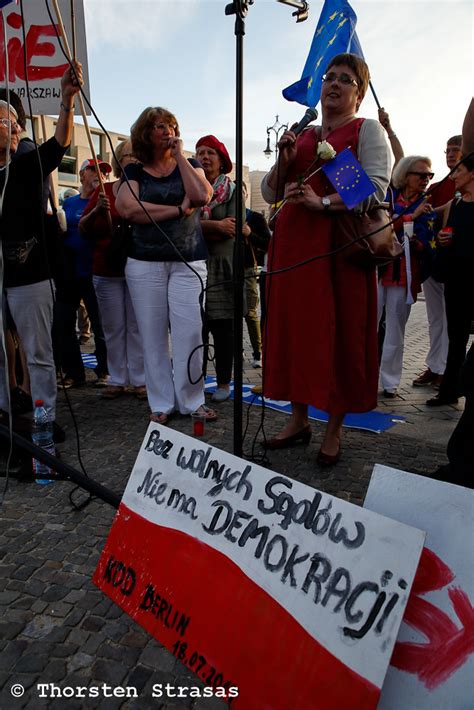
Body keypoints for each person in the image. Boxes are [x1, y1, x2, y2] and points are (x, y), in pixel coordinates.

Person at [260, 53, 391, 465]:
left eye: (346, 79)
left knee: (339, 335)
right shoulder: (302, 134)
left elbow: (376, 190)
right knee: (297, 334)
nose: (334, 84)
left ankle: (333, 429)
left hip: (339, 251)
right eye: (329, 77)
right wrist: (282, 163)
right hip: (295, 249)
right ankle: (298, 420)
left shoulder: (364, 130)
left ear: (360, 92)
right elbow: (269, 193)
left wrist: (326, 201)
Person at [116, 107, 216, 424]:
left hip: (188, 260)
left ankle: (191, 400)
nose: (167, 130)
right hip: (145, 262)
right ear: (145, 133)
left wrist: (181, 157)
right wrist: (176, 209)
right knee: (152, 333)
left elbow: (201, 195)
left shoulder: (191, 165)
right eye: (159, 125)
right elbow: (128, 209)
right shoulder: (134, 171)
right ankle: (161, 402)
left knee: (190, 331)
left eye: (171, 124)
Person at [0, 63, 83, 425]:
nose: (16, 127)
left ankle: (44, 421)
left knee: (37, 353)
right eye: (7, 121)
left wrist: (66, 100)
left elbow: (59, 143)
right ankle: (5, 416)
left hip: (31, 276)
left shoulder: (25, 165)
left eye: (17, 122)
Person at [79, 140, 145, 400]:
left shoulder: (146, 189)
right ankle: (117, 377)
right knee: (113, 326)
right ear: (119, 161)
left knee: (137, 326)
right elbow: (83, 228)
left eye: (136, 156)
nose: (132, 160)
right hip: (107, 267)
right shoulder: (105, 191)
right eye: (127, 156)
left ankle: (140, 378)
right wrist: (97, 210)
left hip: (138, 266)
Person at [378, 156, 437, 397]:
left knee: (396, 329)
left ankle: (389, 382)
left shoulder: (428, 206)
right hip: (378, 269)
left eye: (429, 176)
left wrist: (418, 243)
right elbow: (383, 227)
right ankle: (360, 377)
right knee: (365, 325)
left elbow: (428, 243)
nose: (426, 180)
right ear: (405, 175)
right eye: (421, 175)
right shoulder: (388, 198)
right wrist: (409, 218)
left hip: (403, 274)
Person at [55, 158, 112, 388]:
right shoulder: (69, 204)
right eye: (93, 169)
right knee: (65, 323)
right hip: (70, 272)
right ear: (81, 175)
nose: (100, 174)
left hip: (95, 270)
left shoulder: (107, 202)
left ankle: (105, 370)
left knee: (100, 324)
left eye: (104, 171)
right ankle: (73, 373)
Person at [411, 135, 462, 389]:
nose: (451, 155)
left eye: (456, 150)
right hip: (434, 260)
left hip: (459, 262)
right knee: (435, 317)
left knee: (454, 318)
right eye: (448, 150)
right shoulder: (437, 186)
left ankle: (449, 369)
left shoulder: (467, 185)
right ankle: (435, 365)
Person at [195, 135, 241, 403]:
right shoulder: (190, 186)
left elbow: (232, 227)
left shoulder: (233, 190)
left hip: (224, 269)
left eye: (210, 152)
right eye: (200, 152)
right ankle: (196, 382)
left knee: (224, 331)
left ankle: (223, 383)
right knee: (196, 330)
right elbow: (184, 224)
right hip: (195, 266)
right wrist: (214, 226)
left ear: (221, 160)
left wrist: (201, 228)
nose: (204, 156)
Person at [427, 155, 474, 407]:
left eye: (459, 170)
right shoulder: (454, 205)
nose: (453, 176)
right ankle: (449, 392)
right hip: (456, 280)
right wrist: (444, 242)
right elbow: (443, 231)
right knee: (456, 338)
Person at [242, 183, 271, 369]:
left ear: (245, 194)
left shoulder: (254, 218)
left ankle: (257, 352)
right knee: (230, 314)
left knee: (250, 313)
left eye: (241, 192)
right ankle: (237, 351)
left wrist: (250, 234)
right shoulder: (223, 215)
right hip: (227, 269)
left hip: (248, 270)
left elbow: (268, 244)